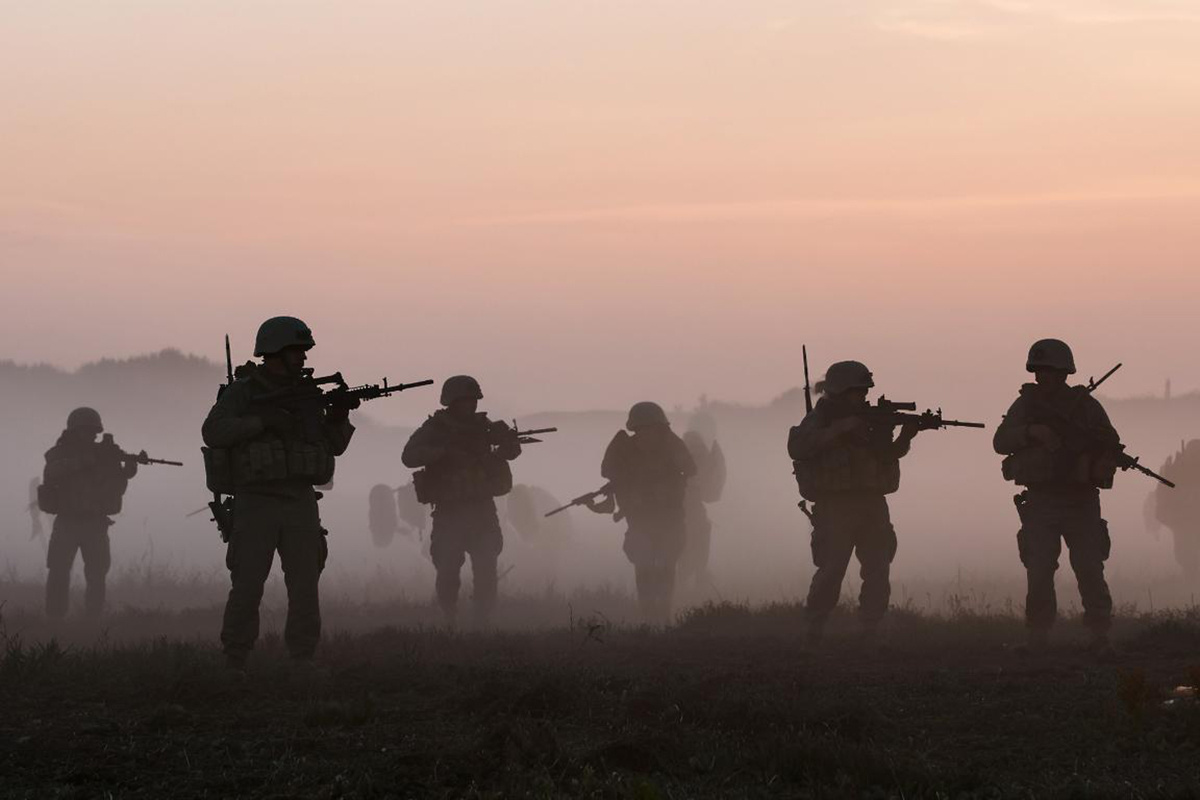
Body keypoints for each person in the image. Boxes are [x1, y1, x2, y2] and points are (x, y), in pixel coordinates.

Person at [202, 316, 357, 668]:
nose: (303, 358)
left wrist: (337, 416)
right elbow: (213, 431)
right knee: (247, 586)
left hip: (300, 500)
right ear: (275, 352)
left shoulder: (308, 393)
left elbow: (332, 446)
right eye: (296, 352)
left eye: (303, 352)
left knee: (305, 588)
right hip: (256, 501)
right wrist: (264, 421)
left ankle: (302, 660)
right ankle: (235, 659)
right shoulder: (246, 391)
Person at [993, 339, 1120, 652]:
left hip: (1081, 499)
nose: (1044, 377)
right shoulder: (1026, 405)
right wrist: (1032, 432)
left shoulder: (1086, 406)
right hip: (1041, 499)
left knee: (1090, 567)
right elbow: (1001, 440)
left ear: (1065, 372)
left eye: (1050, 371)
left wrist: (1095, 454)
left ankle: (1099, 635)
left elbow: (1110, 442)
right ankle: (1038, 637)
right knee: (1039, 569)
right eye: (1039, 371)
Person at [787, 361, 919, 644]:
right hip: (836, 506)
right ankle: (814, 626)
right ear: (838, 391)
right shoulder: (821, 418)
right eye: (855, 392)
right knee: (832, 569)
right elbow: (797, 447)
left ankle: (870, 627)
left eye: (863, 392)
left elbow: (886, 454)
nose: (862, 397)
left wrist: (906, 437)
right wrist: (839, 429)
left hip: (872, 502)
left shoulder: (870, 419)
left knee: (878, 566)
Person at [402, 375, 521, 627]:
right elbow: (409, 456)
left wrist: (506, 444)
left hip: (482, 509)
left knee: (487, 569)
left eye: (474, 400)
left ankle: (483, 621)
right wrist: (443, 453)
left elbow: (510, 453)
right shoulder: (436, 428)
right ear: (452, 402)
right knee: (447, 570)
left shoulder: (484, 427)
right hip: (449, 511)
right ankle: (449, 619)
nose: (471, 406)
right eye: (465, 401)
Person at [591, 401, 695, 624]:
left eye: (653, 429)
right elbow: (608, 470)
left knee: (667, 567)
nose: (648, 435)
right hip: (640, 518)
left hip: (669, 516)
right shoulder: (624, 447)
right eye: (643, 429)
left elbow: (690, 469)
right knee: (644, 566)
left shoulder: (672, 445)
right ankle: (648, 618)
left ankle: (664, 616)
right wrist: (629, 479)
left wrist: (662, 482)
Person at [40, 407, 139, 619]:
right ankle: (54, 619)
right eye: (85, 431)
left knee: (97, 574)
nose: (90, 436)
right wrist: (82, 462)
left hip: (95, 523)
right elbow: (51, 472)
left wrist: (126, 471)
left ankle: (93, 620)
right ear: (74, 432)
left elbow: (116, 489)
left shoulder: (104, 456)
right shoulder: (61, 453)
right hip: (67, 521)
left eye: (93, 432)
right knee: (58, 571)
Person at [678, 410, 726, 591]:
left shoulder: (686, 444)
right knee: (689, 559)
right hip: (687, 510)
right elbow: (708, 488)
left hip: (684, 509)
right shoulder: (696, 447)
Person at [1155, 440, 1200, 579]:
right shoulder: (1175, 470)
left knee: (1185, 550)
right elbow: (1163, 497)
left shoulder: (1175, 469)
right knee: (1185, 551)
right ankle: (1190, 575)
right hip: (1180, 516)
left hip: (1184, 516)